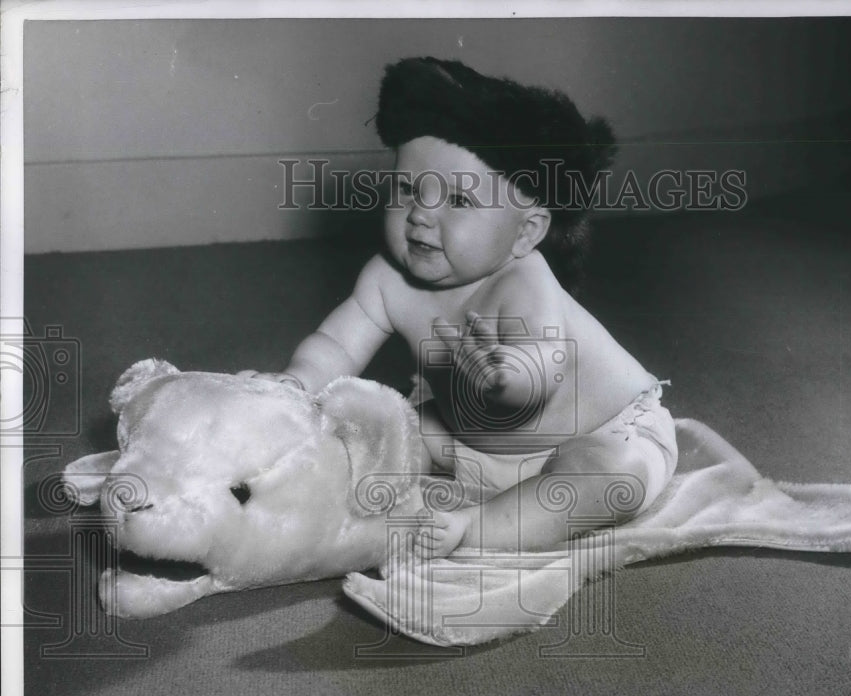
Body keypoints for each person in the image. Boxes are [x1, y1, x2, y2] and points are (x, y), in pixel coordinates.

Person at [242, 57, 677, 558]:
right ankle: (297, 484)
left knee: (606, 476)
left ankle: (476, 529)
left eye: (459, 201)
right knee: (384, 429)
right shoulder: (387, 277)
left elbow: (543, 372)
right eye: (408, 189)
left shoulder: (525, 281)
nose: (421, 215)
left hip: (597, 431)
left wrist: (505, 378)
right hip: (470, 439)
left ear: (526, 232)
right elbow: (337, 343)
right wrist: (299, 383)